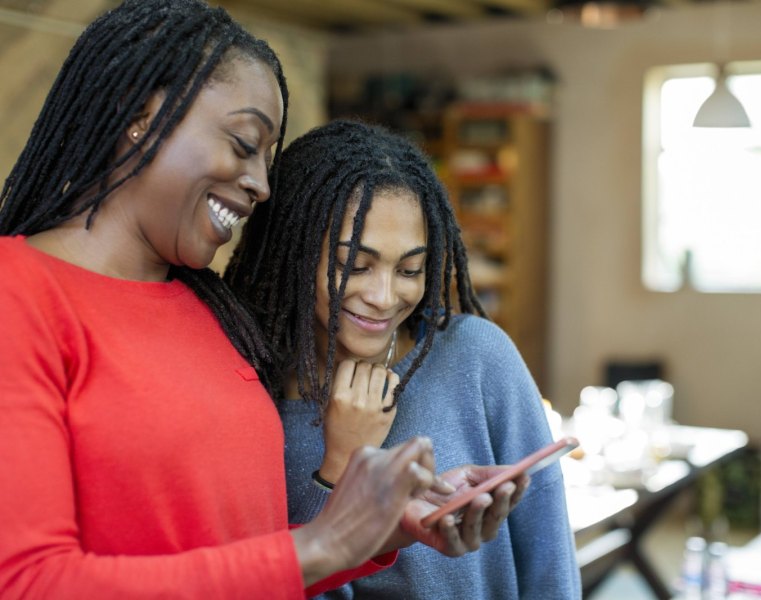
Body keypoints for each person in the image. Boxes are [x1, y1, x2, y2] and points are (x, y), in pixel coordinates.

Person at [0, 3, 523, 598]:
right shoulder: (18, 294)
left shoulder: (212, 313)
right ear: (138, 116)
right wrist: (325, 543)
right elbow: (28, 583)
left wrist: (387, 527)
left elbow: (255, 557)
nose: (262, 184)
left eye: (267, 159)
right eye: (245, 144)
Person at [226, 119, 582, 599]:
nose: (384, 295)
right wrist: (341, 465)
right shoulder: (250, 392)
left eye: (410, 268)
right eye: (356, 265)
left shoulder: (476, 357)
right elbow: (282, 584)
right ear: (294, 249)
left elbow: (550, 563)